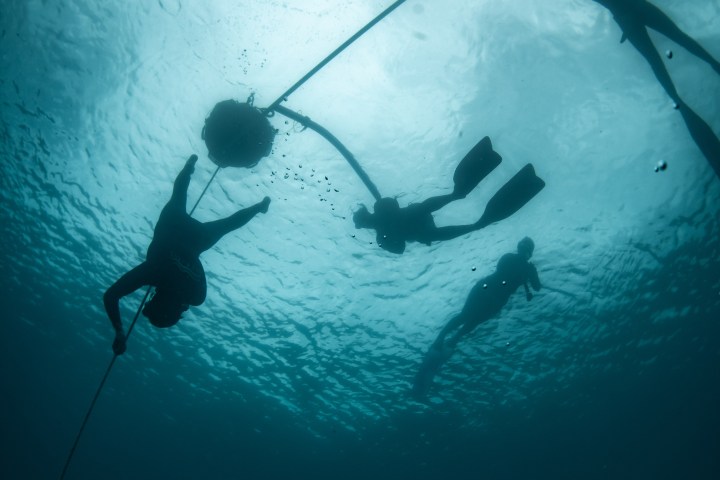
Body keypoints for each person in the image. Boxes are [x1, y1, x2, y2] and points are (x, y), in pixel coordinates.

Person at [103, 155, 270, 355]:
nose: (184, 310)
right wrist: (119, 331)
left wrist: (120, 332)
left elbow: (111, 295)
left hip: (189, 238)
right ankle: (190, 168)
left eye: (178, 312)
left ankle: (259, 207)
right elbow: (111, 296)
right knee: (181, 197)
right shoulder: (156, 274)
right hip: (177, 232)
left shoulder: (188, 292)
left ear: (171, 309)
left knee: (222, 224)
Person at [593, 0, 720, 178]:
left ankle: (683, 103)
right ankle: (712, 68)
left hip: (626, 15)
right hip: (633, 10)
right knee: (678, 40)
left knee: (658, 61)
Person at [353, 137, 545, 254]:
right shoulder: (381, 232)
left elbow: (393, 210)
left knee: (434, 205)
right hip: (421, 229)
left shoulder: (380, 212)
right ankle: (475, 216)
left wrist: (387, 231)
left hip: (419, 217)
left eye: (364, 220)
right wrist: (387, 237)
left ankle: (461, 195)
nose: (367, 222)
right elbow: (400, 248)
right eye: (364, 222)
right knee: (436, 226)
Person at [412, 237, 541, 396]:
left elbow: (534, 287)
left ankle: (452, 339)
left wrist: (530, 272)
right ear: (525, 250)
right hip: (490, 293)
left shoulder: (519, 263)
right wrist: (529, 272)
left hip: (492, 294)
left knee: (470, 320)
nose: (523, 251)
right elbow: (532, 285)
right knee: (467, 317)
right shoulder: (516, 262)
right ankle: (444, 339)